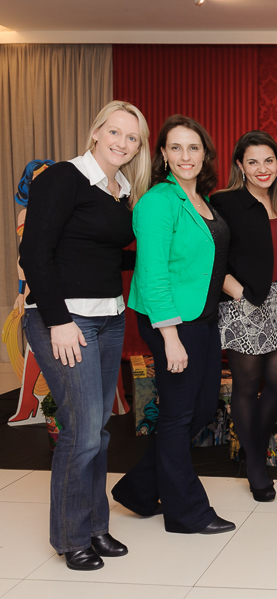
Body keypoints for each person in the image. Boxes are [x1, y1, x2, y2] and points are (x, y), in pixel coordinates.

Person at [19, 100, 150, 571]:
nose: (122, 143)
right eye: (114, 132)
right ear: (95, 132)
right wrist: (57, 321)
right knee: (81, 433)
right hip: (66, 320)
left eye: (131, 138)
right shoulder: (62, 178)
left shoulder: (118, 190)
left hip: (108, 317)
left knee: (96, 430)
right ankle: (70, 536)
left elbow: (102, 256)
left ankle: (96, 527)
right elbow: (34, 251)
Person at [112, 115, 235, 536]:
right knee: (180, 414)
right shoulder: (157, 202)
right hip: (172, 323)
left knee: (200, 408)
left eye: (194, 148)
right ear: (162, 154)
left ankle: (140, 491)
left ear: (205, 154)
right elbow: (153, 273)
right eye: (176, 147)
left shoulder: (202, 200)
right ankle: (187, 513)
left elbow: (207, 263)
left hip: (202, 318)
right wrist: (170, 337)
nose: (186, 156)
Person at [211, 131, 277, 502]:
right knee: (247, 385)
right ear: (239, 167)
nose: (262, 169)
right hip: (243, 302)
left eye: (268, 160)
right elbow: (211, 255)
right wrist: (238, 294)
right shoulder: (225, 202)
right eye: (253, 162)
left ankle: (252, 447)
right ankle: (257, 466)